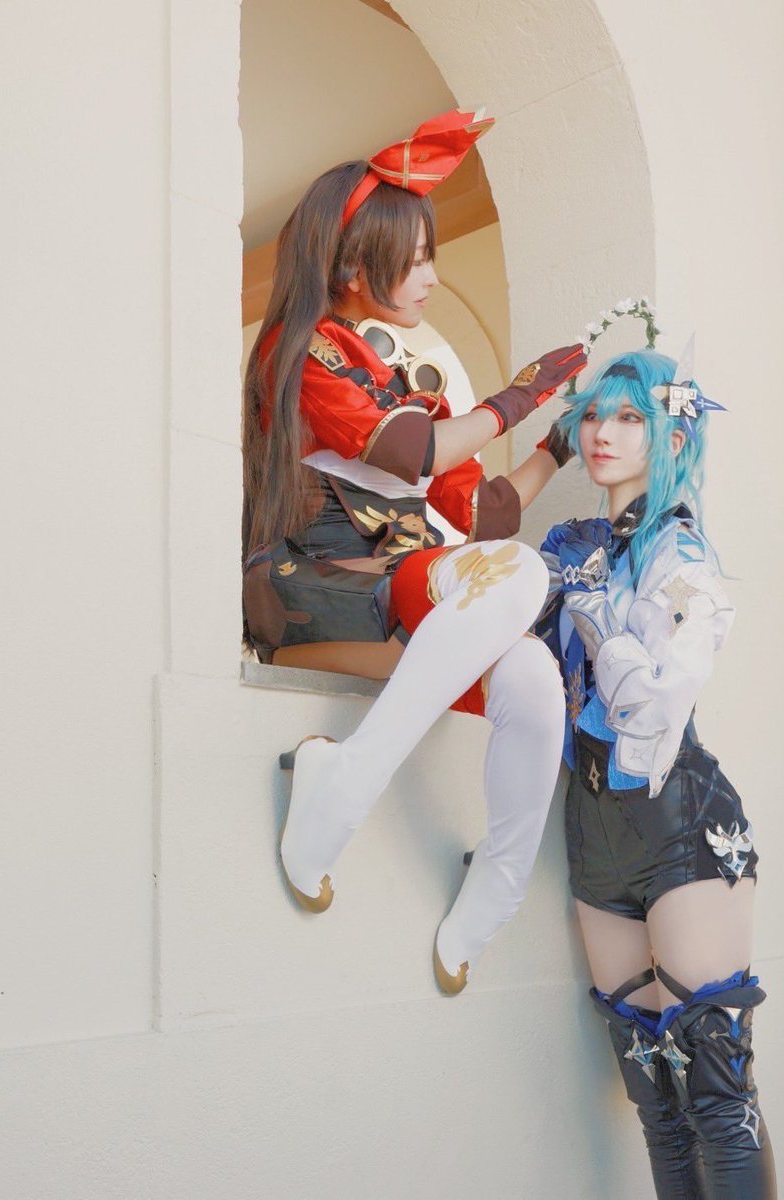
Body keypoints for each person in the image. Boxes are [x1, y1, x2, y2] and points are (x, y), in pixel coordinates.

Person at [241, 109, 584, 993]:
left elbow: (485, 514)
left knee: (532, 672)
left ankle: (496, 883)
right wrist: (512, 400)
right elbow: (410, 454)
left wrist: (556, 441)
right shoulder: (301, 350)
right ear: (353, 268)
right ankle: (344, 784)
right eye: (418, 258)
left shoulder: (391, 380)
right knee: (521, 577)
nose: (432, 275)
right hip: (313, 591)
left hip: (394, 598)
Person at [538, 338, 777, 1197]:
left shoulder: (681, 559)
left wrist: (592, 608)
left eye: (629, 418)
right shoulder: (576, 548)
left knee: (716, 1097)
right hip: (593, 830)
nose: (602, 432)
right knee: (655, 1105)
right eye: (593, 415)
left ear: (670, 437)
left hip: (680, 823)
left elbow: (649, 708)